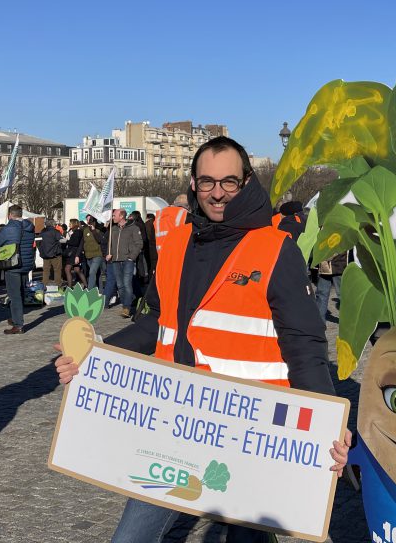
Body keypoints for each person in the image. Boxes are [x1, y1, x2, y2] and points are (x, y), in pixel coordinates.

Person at [54, 136, 350, 542]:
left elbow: (305, 346)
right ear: (194, 184)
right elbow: (156, 321)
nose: (217, 192)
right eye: (207, 181)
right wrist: (98, 354)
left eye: (229, 181)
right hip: (176, 424)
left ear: (246, 182)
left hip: (250, 431)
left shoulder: (274, 248)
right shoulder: (174, 243)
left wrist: (329, 421)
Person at [0, 205, 35, 335]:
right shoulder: (30, 227)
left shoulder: (9, 228)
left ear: (10, 215)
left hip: (13, 265)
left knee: (14, 294)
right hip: (26, 263)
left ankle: (18, 325)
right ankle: (16, 317)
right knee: (20, 292)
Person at [106, 209, 143, 318]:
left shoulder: (133, 228)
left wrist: (131, 257)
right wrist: (109, 253)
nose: (113, 217)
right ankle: (126, 302)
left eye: (114, 215)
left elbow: (139, 243)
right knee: (120, 285)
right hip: (115, 260)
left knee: (127, 283)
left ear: (121, 216)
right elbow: (110, 244)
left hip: (128, 260)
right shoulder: (113, 229)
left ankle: (126, 307)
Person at [79, 215, 106, 293]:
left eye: (90, 220)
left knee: (92, 272)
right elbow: (82, 242)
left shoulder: (99, 229)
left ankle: (90, 291)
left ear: (94, 221)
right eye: (87, 220)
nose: (88, 222)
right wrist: (78, 255)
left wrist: (94, 230)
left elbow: (99, 240)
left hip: (98, 254)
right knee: (97, 273)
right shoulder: (85, 230)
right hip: (88, 255)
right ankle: (97, 290)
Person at [37, 220, 64, 288]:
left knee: (45, 271)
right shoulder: (56, 232)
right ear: (53, 225)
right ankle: (58, 286)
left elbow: (38, 242)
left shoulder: (42, 232)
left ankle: (45, 286)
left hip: (45, 255)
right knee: (57, 270)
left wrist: (41, 251)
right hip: (55, 254)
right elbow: (62, 240)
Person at [62, 219, 86, 287]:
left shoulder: (77, 232)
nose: (69, 224)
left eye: (70, 223)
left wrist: (66, 241)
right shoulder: (77, 231)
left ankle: (69, 287)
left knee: (67, 269)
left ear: (74, 224)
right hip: (75, 253)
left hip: (73, 253)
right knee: (77, 269)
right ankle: (86, 285)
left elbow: (75, 243)